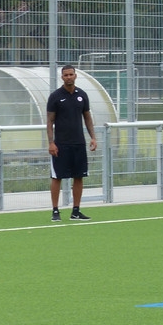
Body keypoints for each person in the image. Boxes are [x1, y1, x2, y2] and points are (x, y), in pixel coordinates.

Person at [47, 65, 97, 221]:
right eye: (66, 75)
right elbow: (50, 121)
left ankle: (76, 211)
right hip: (61, 144)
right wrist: (51, 143)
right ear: (62, 77)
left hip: (79, 143)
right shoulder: (55, 96)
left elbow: (87, 117)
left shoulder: (82, 95)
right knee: (57, 177)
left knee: (79, 176)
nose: (68, 77)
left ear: (75, 76)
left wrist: (93, 137)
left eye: (71, 74)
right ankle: (55, 211)